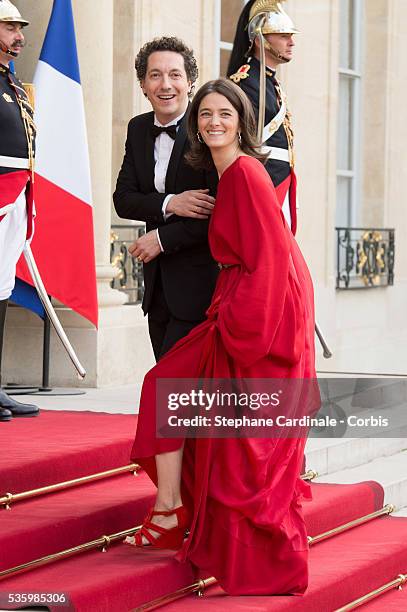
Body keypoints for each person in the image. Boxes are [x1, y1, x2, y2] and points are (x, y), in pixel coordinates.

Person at [126, 78, 316, 596]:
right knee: (167, 389)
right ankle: (169, 509)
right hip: (239, 302)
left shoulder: (246, 174)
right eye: (205, 114)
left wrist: (242, 329)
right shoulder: (227, 173)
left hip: (256, 315)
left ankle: (171, 512)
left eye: (223, 114)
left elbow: (273, 260)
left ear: (241, 122)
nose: (213, 122)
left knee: (172, 390)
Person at [113, 37, 219, 361]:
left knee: (184, 391)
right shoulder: (137, 128)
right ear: (143, 85)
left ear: (190, 81)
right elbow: (124, 199)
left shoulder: (208, 129)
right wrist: (169, 202)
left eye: (175, 74)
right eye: (155, 75)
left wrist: (160, 237)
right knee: (170, 390)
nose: (166, 84)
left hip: (201, 286)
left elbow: (216, 210)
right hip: (157, 289)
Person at [227, 0, 299, 234]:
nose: (291, 42)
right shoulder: (244, 83)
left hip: (280, 181)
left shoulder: (271, 83)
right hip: (263, 183)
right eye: (282, 35)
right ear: (260, 39)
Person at [0, 0, 39, 422]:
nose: (19, 37)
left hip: (14, 196)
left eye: (19, 29)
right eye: (10, 28)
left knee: (1, 289)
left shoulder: (11, 83)